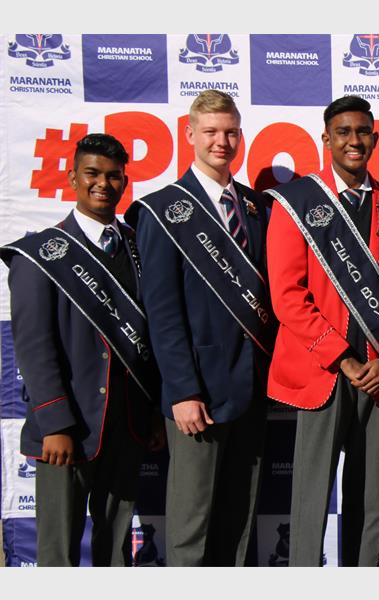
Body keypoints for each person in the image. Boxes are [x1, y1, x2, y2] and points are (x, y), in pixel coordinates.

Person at [265, 95, 379, 566]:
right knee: (310, 495)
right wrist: (342, 357)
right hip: (324, 368)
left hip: (377, 370)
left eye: (363, 132)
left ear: (375, 138)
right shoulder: (297, 201)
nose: (354, 141)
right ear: (326, 139)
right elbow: (287, 296)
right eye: (343, 132)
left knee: (370, 496)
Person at [124, 90, 274, 566]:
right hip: (198, 395)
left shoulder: (256, 207)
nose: (221, 142)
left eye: (230, 132)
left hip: (251, 388)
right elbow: (162, 313)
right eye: (210, 132)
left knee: (238, 519)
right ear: (189, 135)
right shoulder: (163, 209)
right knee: (192, 525)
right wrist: (183, 391)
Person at [0, 134, 163, 566]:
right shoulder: (40, 253)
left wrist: (151, 414)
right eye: (92, 173)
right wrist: (55, 422)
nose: (103, 184)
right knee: (59, 553)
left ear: (124, 181)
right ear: (73, 178)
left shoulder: (139, 246)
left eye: (114, 176)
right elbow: (34, 348)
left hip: (127, 426)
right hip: (66, 429)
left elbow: (150, 338)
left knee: (116, 552)